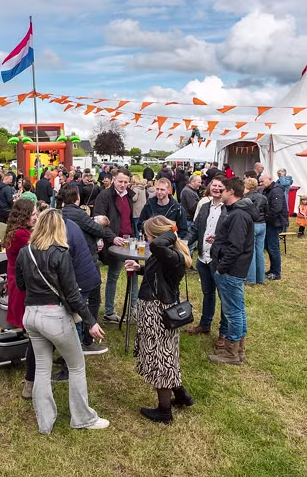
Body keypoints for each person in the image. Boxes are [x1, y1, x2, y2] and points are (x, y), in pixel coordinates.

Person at [15, 209, 108, 434]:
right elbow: (73, 294)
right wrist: (91, 322)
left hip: (31, 315)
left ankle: (45, 422)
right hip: (53, 316)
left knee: (42, 369)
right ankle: (83, 418)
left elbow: (20, 284)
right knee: (76, 366)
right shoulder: (60, 253)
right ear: (59, 228)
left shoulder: (25, 252)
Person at [125, 216, 194, 424]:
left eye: (147, 234)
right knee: (166, 352)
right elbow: (159, 273)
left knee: (159, 357)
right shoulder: (167, 253)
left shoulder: (170, 252)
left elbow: (156, 245)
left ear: (157, 235)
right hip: (159, 306)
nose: (146, 239)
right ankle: (181, 395)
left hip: (157, 309)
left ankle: (164, 412)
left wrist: (171, 231)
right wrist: (139, 269)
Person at [208, 177, 257, 365]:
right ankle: (239, 349)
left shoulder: (238, 215)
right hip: (235, 269)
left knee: (233, 312)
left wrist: (222, 268)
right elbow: (234, 241)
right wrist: (219, 241)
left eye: (223, 190)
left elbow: (236, 247)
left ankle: (231, 353)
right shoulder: (238, 213)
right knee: (238, 310)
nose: (220, 192)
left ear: (230, 191)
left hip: (231, 271)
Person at [59, 183, 110, 354]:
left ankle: (77, 341)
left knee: (75, 301)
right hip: (86, 261)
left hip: (69, 262)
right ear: (78, 197)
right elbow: (99, 230)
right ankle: (86, 340)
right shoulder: (78, 214)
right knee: (92, 300)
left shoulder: (59, 213)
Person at [184, 175, 227, 340]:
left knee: (224, 297)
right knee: (208, 293)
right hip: (203, 258)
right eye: (214, 185)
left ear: (226, 189)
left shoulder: (229, 209)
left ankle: (224, 333)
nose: (216, 189)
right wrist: (184, 243)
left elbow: (232, 234)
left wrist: (218, 239)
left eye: (220, 186)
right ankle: (205, 324)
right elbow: (195, 229)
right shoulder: (204, 206)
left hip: (219, 260)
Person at [4, 199, 37, 398]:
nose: (36, 217)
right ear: (24, 215)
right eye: (33, 214)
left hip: (18, 280)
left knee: (32, 328)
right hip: (22, 283)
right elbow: (39, 251)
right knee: (33, 328)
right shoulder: (21, 235)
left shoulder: (16, 231)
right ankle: (31, 376)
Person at [93, 168, 133, 324]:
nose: (123, 184)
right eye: (120, 181)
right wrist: (113, 237)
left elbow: (130, 218)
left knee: (134, 275)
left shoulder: (129, 196)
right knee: (113, 276)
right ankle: (109, 312)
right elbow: (98, 220)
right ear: (113, 179)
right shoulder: (104, 196)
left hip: (129, 241)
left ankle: (134, 309)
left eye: (126, 182)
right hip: (113, 243)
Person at [260, 173, 287, 280]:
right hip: (271, 222)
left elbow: (276, 209)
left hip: (274, 223)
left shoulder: (276, 191)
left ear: (270, 179)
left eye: (262, 181)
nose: (260, 184)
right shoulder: (268, 190)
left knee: (273, 247)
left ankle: (276, 272)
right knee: (269, 247)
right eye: (260, 182)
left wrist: (267, 218)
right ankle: (272, 269)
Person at [244, 178, 268, 285]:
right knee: (259, 251)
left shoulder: (246, 198)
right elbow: (267, 211)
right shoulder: (263, 197)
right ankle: (260, 278)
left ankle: (251, 279)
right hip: (262, 224)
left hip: (252, 224)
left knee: (251, 251)